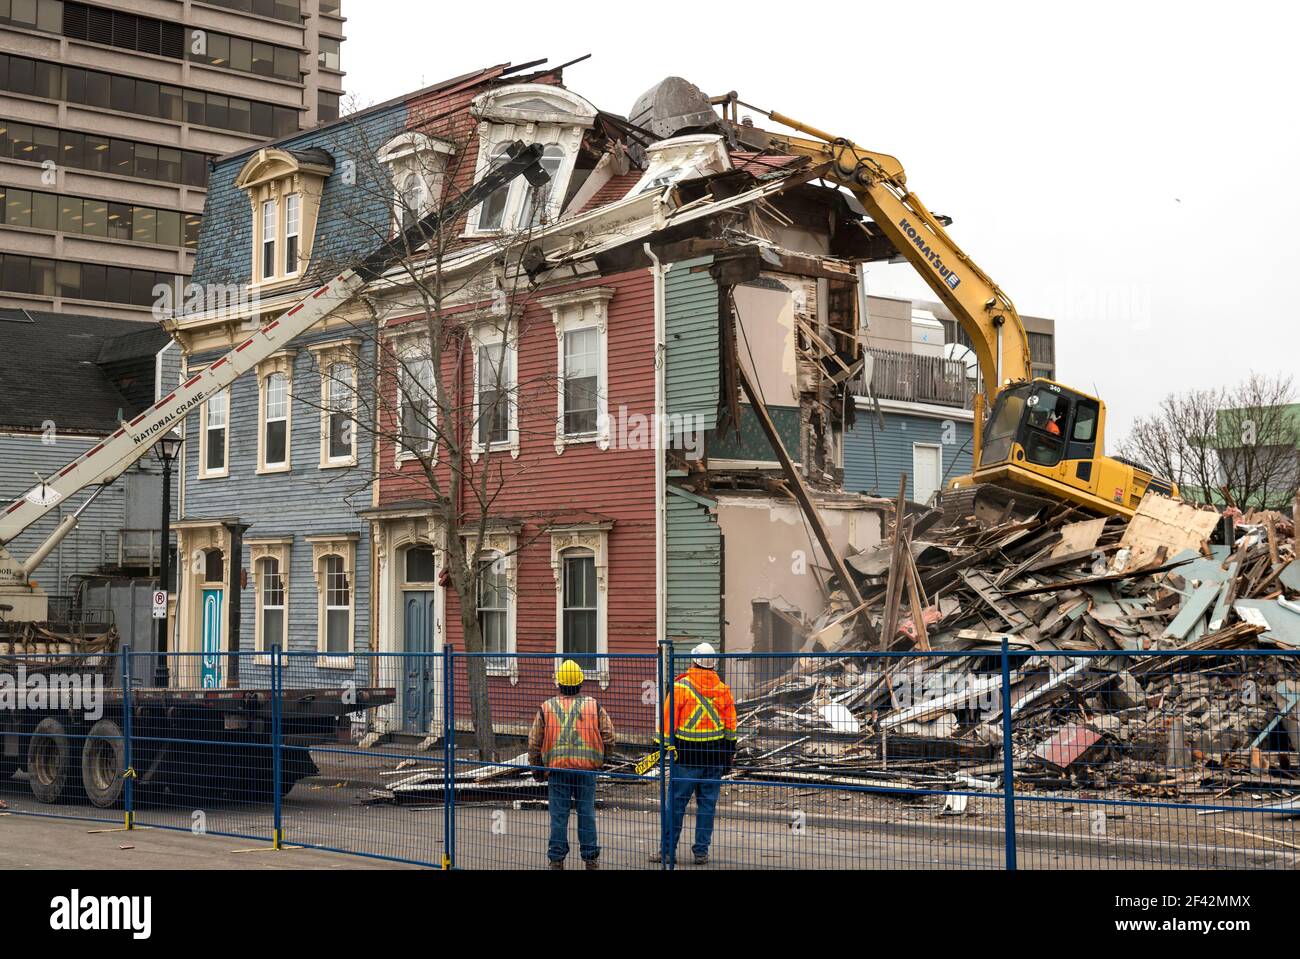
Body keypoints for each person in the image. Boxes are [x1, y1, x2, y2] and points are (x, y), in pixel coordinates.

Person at [650, 642, 737, 866]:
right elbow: (730, 728)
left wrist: (661, 750)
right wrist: (728, 755)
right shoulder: (723, 690)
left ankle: (667, 852)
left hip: (687, 758)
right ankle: (701, 852)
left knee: (676, 805)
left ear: (693, 661)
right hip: (715, 758)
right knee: (707, 805)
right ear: (713, 665)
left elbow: (667, 726)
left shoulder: (680, 688)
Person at [528, 658, 616, 870]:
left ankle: (556, 860)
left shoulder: (546, 708)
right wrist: (604, 760)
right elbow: (609, 736)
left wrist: (537, 769)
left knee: (559, 816)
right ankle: (590, 859)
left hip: (557, 771)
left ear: (558, 683)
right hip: (586, 770)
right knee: (586, 814)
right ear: (581, 682)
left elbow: (534, 742)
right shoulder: (594, 706)